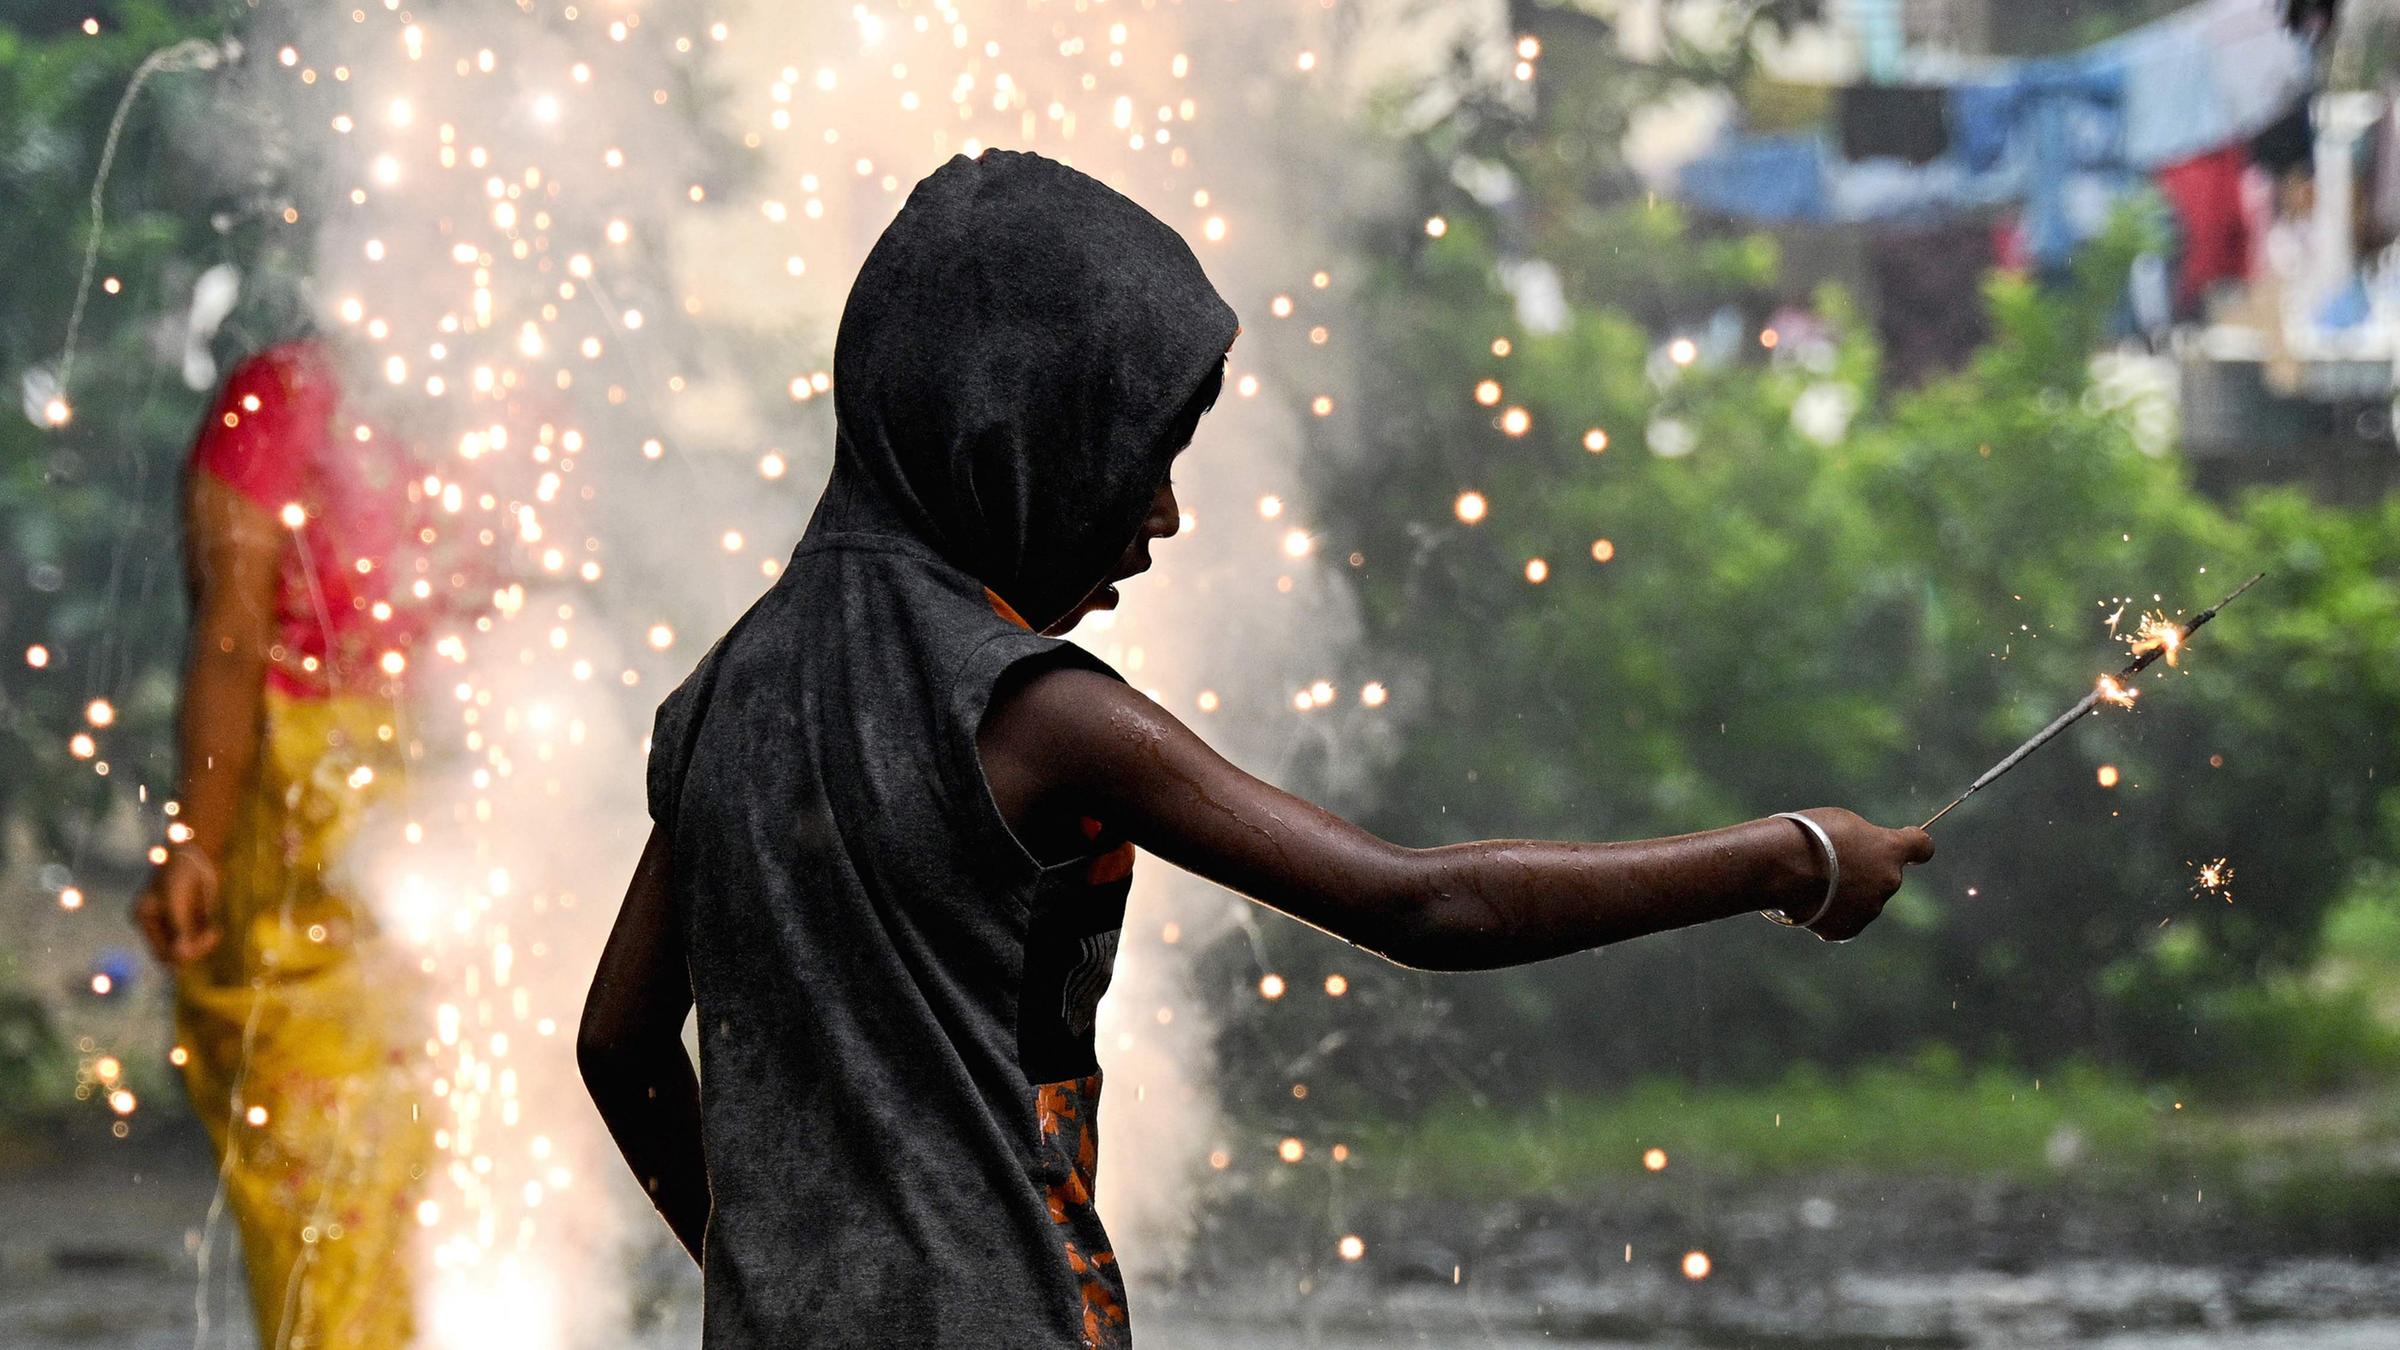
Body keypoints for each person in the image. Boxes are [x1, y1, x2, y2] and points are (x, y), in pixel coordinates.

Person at [578, 150, 1934, 1349]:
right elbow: (1423, 901)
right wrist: (1791, 855)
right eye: (1139, 454)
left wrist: (790, 1282)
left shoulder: (718, 703)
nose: (1161, 515)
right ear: (1019, 434)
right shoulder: (1040, 714)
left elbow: (619, 1047)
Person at [131, 339, 434, 1348]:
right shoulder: (490, 399)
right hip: (447, 832)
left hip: (323, 839)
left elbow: (231, 634)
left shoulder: (281, 400)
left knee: (330, 1177)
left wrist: (196, 846)